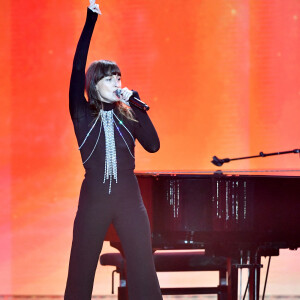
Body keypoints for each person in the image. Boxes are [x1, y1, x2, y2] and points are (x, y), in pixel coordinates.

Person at [64, 1, 163, 299]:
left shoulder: (128, 114)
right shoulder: (82, 113)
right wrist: (90, 21)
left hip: (130, 200)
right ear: (95, 84)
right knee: (81, 270)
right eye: (109, 78)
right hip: (94, 200)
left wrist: (137, 104)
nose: (117, 82)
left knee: (144, 269)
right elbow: (78, 66)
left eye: (118, 77)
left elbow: (154, 146)